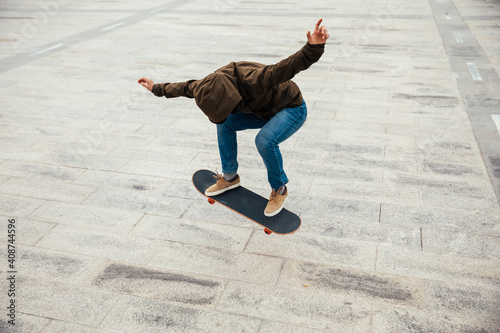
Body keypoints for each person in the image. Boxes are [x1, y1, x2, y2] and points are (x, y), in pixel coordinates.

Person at [139, 19, 329, 217]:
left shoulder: (255, 80)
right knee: (226, 124)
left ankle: (279, 188)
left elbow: (286, 67)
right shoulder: (206, 85)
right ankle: (230, 177)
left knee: (264, 140)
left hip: (291, 108)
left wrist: (313, 48)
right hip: (262, 109)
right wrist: (156, 88)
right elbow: (185, 87)